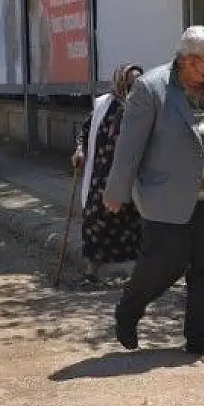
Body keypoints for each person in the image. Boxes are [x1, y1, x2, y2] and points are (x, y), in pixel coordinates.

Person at [103, 26, 204, 360]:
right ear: (187, 61)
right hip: (166, 199)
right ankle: (129, 309)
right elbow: (129, 147)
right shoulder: (151, 88)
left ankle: (202, 336)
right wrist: (117, 191)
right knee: (163, 265)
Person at [71, 63, 144, 287]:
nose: (133, 87)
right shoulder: (103, 104)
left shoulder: (144, 106)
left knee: (135, 221)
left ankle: (141, 274)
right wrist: (80, 150)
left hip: (133, 175)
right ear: (120, 81)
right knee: (95, 220)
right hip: (102, 173)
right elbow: (85, 130)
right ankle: (91, 271)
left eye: (138, 83)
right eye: (130, 82)